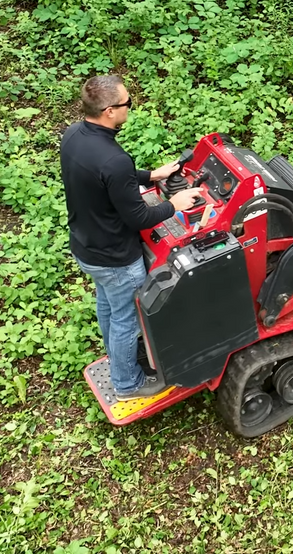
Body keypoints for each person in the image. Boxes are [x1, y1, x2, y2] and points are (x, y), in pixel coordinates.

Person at [61, 75, 203, 399]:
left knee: (107, 304)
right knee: (127, 316)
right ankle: (128, 383)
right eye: (128, 103)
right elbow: (138, 216)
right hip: (116, 258)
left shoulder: (73, 135)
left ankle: (117, 358)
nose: (130, 107)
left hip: (86, 247)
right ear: (110, 111)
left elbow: (107, 178)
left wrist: (152, 175)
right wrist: (174, 204)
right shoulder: (113, 159)